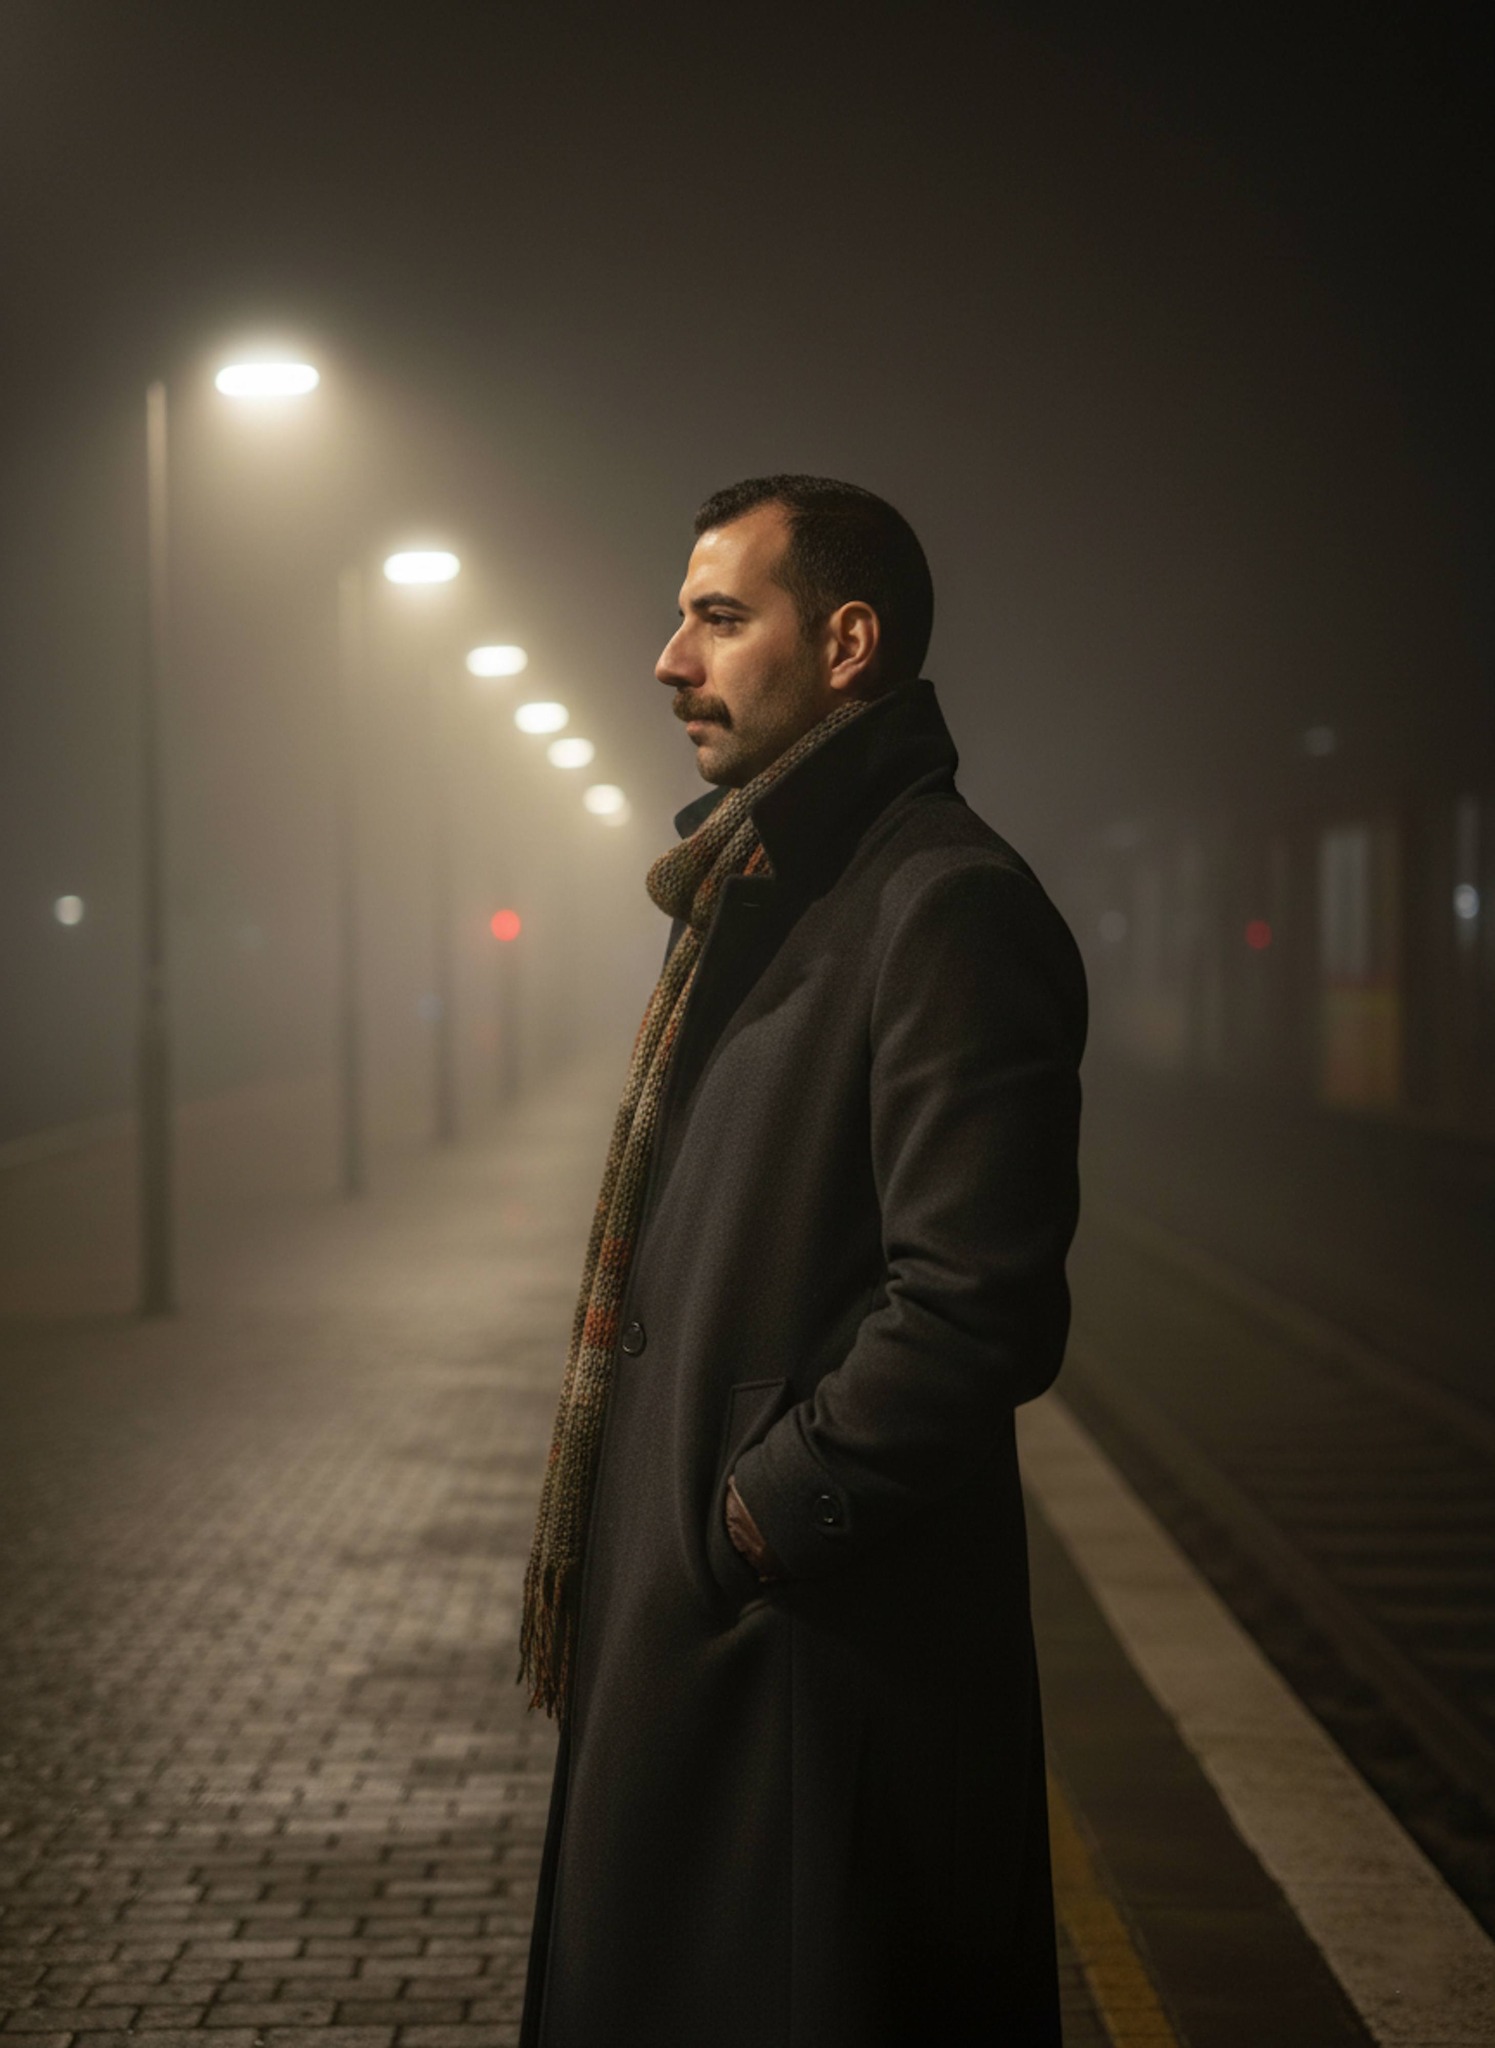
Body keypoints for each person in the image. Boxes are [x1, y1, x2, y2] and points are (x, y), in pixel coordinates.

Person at [519, 475, 1086, 2046]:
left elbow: (975, 1309)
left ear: (847, 644)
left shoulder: (942, 904)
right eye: (680, 620)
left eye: (718, 618)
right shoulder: (767, 890)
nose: (669, 662)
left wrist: (763, 1513)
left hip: (813, 1669)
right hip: (724, 1648)